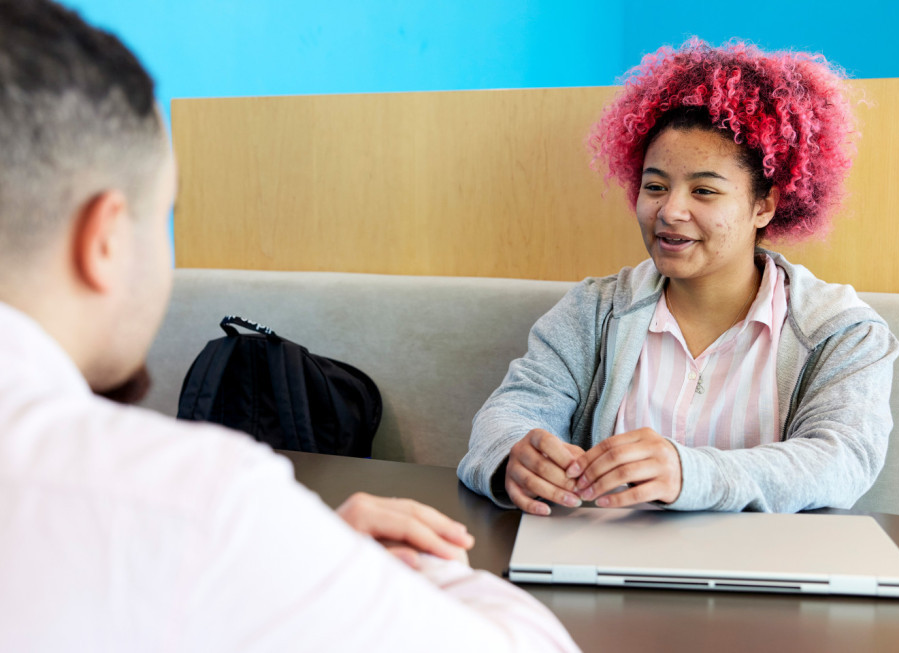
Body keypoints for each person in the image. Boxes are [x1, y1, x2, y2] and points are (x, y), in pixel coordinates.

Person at [0, 2, 579, 651]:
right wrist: (324, 559)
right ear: (104, 239)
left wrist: (294, 558)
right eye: (164, 217)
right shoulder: (194, 506)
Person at [458, 39, 899, 517]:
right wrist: (513, 455)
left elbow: (841, 459)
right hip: (606, 562)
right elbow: (512, 411)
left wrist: (689, 473)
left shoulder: (842, 331)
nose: (670, 211)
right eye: (655, 186)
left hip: (765, 573)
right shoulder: (594, 310)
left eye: (704, 190)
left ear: (764, 204)